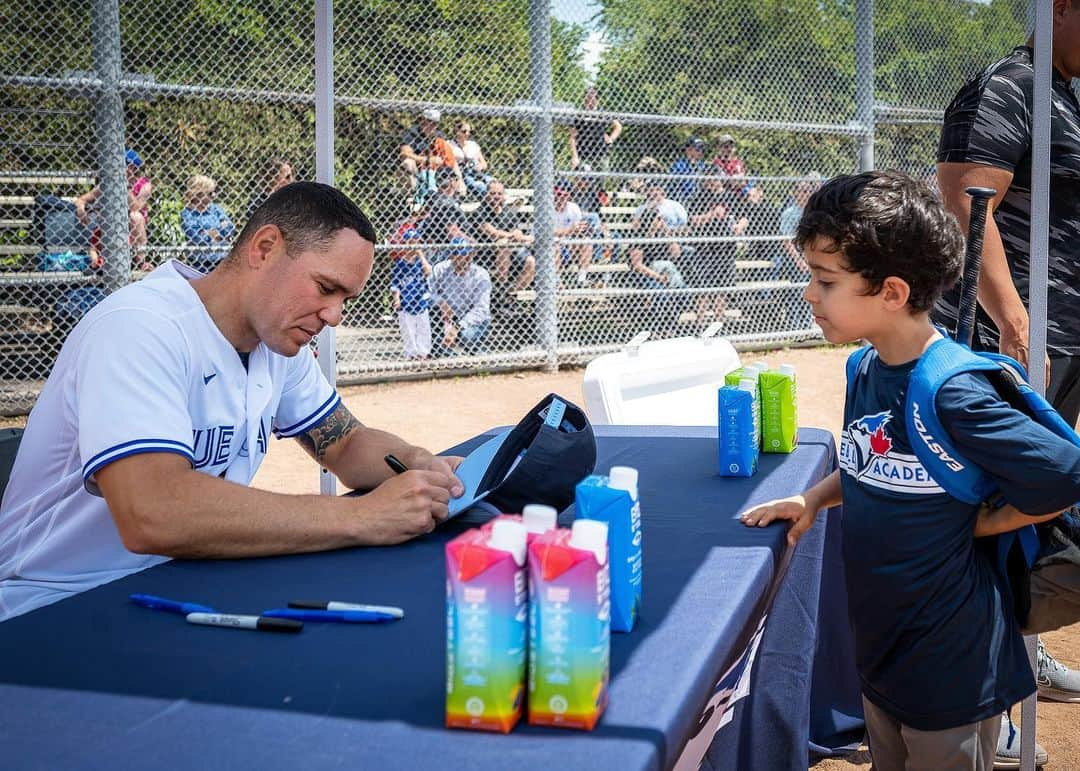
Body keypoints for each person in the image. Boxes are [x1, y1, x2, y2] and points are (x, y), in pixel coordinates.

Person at [739, 170, 1080, 770]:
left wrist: (980, 523)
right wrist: (814, 499)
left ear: (891, 292)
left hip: (950, 664)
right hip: (882, 651)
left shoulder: (956, 392)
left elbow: (1065, 476)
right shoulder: (866, 368)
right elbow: (870, 462)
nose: (810, 295)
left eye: (826, 281)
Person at [0, 182, 464, 622]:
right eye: (326, 288)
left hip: (175, 583)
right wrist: (363, 516)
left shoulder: (279, 340)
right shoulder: (139, 327)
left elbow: (344, 443)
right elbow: (152, 513)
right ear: (264, 249)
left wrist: (414, 461)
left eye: (345, 297)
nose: (334, 315)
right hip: (51, 600)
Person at [932, 2, 1080, 755]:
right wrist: (1016, 327)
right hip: (1017, 349)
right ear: (1059, 10)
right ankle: (982, 705)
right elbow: (966, 205)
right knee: (986, 515)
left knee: (1032, 514)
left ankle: (1019, 657)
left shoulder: (1072, 95)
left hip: (1064, 342)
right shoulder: (1008, 84)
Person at [74, 147, 153, 270]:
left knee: (135, 216)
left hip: (133, 225)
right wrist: (81, 209)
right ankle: (97, 261)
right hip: (112, 222)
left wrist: (124, 186)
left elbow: (135, 207)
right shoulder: (110, 182)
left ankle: (140, 260)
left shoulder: (144, 185)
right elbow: (83, 199)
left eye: (122, 166)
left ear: (131, 167)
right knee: (102, 216)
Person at [469, 179, 536, 300]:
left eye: (499, 194)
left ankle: (510, 294)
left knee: (531, 261)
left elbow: (517, 231)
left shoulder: (508, 212)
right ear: (486, 194)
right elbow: (492, 233)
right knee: (503, 243)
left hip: (510, 252)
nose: (496, 196)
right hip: (486, 253)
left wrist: (518, 235)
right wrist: (512, 235)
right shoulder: (480, 212)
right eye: (493, 193)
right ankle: (502, 285)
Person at [429, 237, 491, 356]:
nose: (455, 257)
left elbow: (481, 309)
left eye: (461, 254)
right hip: (447, 316)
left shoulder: (480, 274)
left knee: (467, 335)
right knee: (430, 313)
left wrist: (457, 327)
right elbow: (428, 291)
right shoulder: (440, 269)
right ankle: (445, 353)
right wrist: (441, 302)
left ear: (471, 255)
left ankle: (476, 350)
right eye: (453, 253)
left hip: (471, 318)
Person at [389, 227, 432, 359]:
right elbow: (395, 284)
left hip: (421, 301)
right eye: (410, 242)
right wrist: (396, 299)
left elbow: (429, 272)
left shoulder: (421, 262)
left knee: (424, 329)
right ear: (405, 244)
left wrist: (421, 255)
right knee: (408, 330)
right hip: (406, 303)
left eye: (416, 241)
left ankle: (423, 353)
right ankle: (411, 354)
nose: (414, 245)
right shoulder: (400, 264)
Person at [399, 108, 458, 204]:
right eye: (429, 122)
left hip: (434, 170)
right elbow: (404, 154)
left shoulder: (439, 135)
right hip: (416, 170)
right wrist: (427, 160)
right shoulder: (412, 133)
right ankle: (416, 195)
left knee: (453, 162)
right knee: (408, 162)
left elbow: (448, 157)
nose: (433, 126)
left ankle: (458, 194)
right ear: (422, 121)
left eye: (435, 123)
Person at [180, 174, 235, 270]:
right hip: (199, 262)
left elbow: (229, 228)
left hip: (221, 259)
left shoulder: (216, 209)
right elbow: (196, 236)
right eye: (210, 193)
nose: (214, 195)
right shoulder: (188, 213)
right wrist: (218, 233)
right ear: (198, 194)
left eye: (214, 192)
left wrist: (209, 233)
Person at [568, 86, 622, 173]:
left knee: (601, 182)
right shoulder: (579, 115)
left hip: (601, 154)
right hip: (583, 154)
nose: (589, 102)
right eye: (587, 98)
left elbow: (618, 126)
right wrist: (575, 156)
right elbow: (572, 137)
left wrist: (611, 139)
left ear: (597, 100)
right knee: (583, 182)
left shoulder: (602, 113)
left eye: (592, 99)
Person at [553, 180, 595, 285]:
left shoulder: (573, 207)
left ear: (569, 195)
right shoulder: (547, 208)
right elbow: (549, 232)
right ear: (554, 194)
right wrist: (571, 230)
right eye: (559, 194)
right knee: (556, 245)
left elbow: (578, 230)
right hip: (552, 244)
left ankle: (581, 279)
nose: (562, 197)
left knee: (587, 243)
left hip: (569, 244)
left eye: (565, 194)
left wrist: (583, 230)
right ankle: (557, 281)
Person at [449, 121, 492, 199]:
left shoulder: (473, 144)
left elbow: (484, 164)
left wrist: (481, 166)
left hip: (476, 172)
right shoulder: (450, 145)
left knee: (492, 181)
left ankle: (504, 201)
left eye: (469, 131)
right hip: (463, 174)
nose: (467, 134)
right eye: (464, 131)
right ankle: (492, 201)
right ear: (457, 131)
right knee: (480, 186)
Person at [245, 157, 295, 222]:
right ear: (273, 178)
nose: (291, 180)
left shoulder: (294, 199)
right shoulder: (258, 202)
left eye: (291, 176)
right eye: (287, 177)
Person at [669, 136, 707, 204]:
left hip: (701, 198)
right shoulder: (679, 165)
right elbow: (675, 186)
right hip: (683, 198)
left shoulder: (702, 165)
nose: (700, 152)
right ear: (688, 149)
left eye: (702, 149)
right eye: (697, 149)